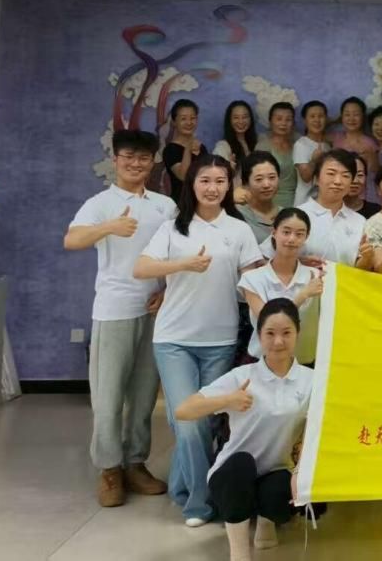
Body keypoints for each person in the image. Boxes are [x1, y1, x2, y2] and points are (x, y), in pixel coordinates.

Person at [133, 156, 264, 526]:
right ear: (192, 184)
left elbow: (252, 281)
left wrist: (270, 312)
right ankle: (200, 504)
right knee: (187, 421)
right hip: (173, 339)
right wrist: (182, 265)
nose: (212, 188)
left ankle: (181, 488)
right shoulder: (174, 228)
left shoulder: (238, 229)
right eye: (205, 180)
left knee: (205, 423)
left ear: (229, 186)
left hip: (219, 340)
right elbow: (141, 268)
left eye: (220, 181)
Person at [64, 129, 177, 508]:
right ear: (116, 160)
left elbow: (176, 251)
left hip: (155, 310)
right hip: (114, 309)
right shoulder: (100, 203)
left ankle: (135, 463)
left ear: (153, 162)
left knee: (144, 395)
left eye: (143, 157)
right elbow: (71, 240)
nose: (135, 163)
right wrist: (109, 227)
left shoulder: (165, 206)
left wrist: (167, 290)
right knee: (108, 395)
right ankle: (109, 469)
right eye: (128, 156)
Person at [173, 298, 314, 561]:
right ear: (259, 336)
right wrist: (227, 400)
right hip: (233, 472)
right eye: (270, 333)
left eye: (286, 333)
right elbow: (183, 411)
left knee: (280, 488)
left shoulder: (311, 381)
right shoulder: (242, 376)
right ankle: (239, 553)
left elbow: (317, 430)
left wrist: (301, 470)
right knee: (241, 465)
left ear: (298, 333)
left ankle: (266, 523)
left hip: (278, 471)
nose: (278, 342)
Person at [238, 208, 322, 362]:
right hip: (261, 360)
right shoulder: (251, 279)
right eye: (286, 232)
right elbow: (269, 320)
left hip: (303, 362)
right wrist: (303, 295)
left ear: (306, 237)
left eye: (299, 234)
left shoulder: (316, 277)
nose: (292, 239)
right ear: (274, 232)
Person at [300, 150, 372, 268]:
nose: (338, 181)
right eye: (331, 173)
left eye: (345, 176)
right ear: (317, 179)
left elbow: (358, 268)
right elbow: (272, 259)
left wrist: (367, 258)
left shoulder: (360, 221)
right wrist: (297, 262)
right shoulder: (298, 215)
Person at [163, 98, 206, 203]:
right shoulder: (170, 150)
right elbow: (183, 176)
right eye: (183, 119)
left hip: (201, 202)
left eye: (192, 118)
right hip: (181, 203)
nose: (189, 122)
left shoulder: (202, 147)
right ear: (174, 122)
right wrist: (188, 150)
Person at [236, 151, 281, 250]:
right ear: (245, 183)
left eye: (272, 177)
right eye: (259, 179)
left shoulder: (286, 214)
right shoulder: (236, 214)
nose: (267, 184)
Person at [256, 102, 297, 209]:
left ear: (293, 123)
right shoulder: (263, 146)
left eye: (288, 119)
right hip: (271, 203)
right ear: (270, 122)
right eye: (279, 119)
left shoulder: (298, 145)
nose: (283, 123)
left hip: (297, 201)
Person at [292, 100, 330, 206]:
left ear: (326, 119)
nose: (317, 120)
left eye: (320, 116)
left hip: (322, 203)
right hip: (304, 203)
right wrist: (314, 161)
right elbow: (305, 177)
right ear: (305, 120)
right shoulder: (301, 144)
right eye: (312, 116)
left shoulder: (327, 146)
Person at [213, 100, 257, 183]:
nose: (241, 121)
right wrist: (230, 170)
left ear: (250, 119)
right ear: (229, 120)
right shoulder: (223, 147)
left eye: (245, 117)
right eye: (236, 117)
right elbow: (216, 176)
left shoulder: (258, 143)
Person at [342, 152, 380, 219]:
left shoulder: (376, 212)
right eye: (349, 174)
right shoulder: (328, 211)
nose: (355, 181)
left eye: (360, 175)